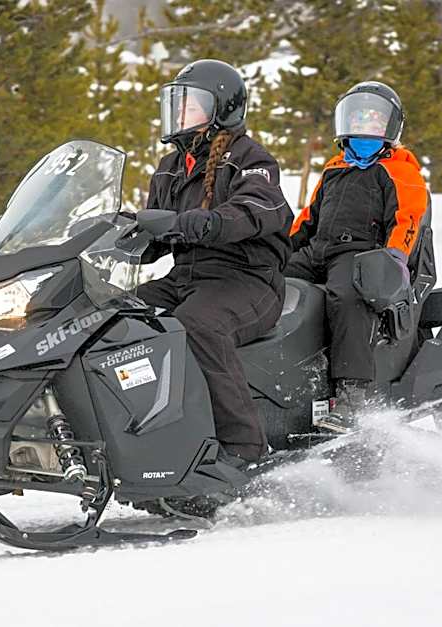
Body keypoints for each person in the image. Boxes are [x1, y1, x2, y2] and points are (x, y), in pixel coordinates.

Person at [137, 59, 293, 466]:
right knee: (117, 317)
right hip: (187, 278)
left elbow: (260, 208)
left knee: (199, 325)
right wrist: (114, 235)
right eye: (177, 104)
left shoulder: (250, 158)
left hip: (248, 280)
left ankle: (245, 448)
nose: (180, 114)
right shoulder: (172, 166)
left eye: (191, 105)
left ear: (222, 108)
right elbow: (154, 225)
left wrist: (206, 223)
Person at [285, 81, 430, 424]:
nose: (365, 127)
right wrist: (280, 248)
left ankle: (353, 394)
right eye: (359, 119)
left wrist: (395, 257)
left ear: (390, 127)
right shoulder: (335, 168)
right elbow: (309, 217)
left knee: (347, 298)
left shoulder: (399, 170)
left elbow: (408, 219)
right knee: (269, 284)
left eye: (374, 121)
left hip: (361, 254)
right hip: (317, 250)